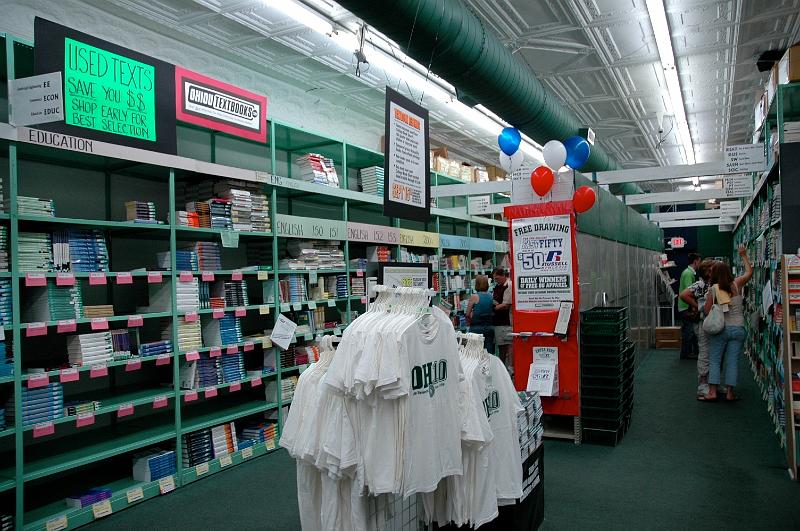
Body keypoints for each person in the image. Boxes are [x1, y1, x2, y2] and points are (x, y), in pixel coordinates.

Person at [701, 245, 752, 401]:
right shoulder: (737, 283)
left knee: (715, 360)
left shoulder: (713, 289)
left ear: (713, 274)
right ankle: (730, 394)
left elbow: (707, 311)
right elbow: (749, 272)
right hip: (738, 329)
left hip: (721, 329)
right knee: (733, 361)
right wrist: (743, 255)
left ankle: (712, 392)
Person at [680, 259, 716, 398]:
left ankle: (712, 383)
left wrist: (696, 305)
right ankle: (703, 384)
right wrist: (698, 306)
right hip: (704, 322)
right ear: (708, 271)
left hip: (709, 321)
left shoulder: (709, 284)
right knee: (705, 352)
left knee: (711, 353)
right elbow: (684, 295)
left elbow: (684, 295)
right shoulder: (702, 284)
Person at [678, 253, 701, 359]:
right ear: (695, 261)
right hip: (685, 307)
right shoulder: (688, 274)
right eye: (699, 261)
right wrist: (694, 306)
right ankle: (686, 353)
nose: (700, 264)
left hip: (684, 306)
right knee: (689, 332)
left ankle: (689, 352)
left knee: (689, 331)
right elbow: (689, 292)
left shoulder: (687, 272)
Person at [466, 275, 494, 352]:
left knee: (475, 352)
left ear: (477, 284)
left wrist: (469, 319)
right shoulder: (491, 296)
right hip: (489, 327)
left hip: (476, 328)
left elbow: (467, 314)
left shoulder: (474, 297)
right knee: (488, 351)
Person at [492, 268, 513, 371]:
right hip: (499, 321)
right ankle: (502, 369)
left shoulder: (509, 286)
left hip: (507, 321)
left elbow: (506, 305)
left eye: (497, 278)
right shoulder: (498, 286)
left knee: (509, 346)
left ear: (504, 276)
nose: (496, 280)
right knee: (501, 347)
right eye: (494, 278)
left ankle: (510, 369)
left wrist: (494, 307)